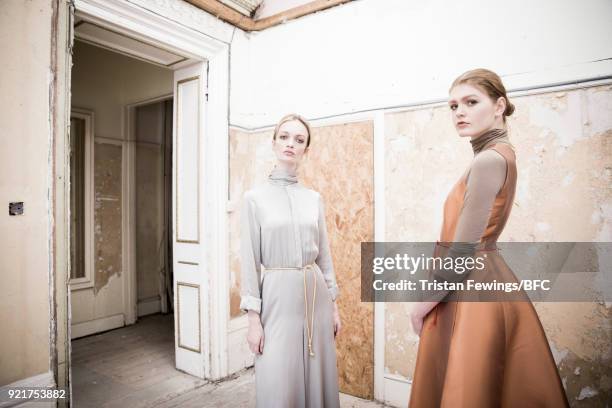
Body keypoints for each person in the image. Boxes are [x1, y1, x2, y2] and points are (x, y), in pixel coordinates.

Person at [408, 69, 569, 407]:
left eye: (470, 102)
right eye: (453, 106)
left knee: (468, 388)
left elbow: (463, 251)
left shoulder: (488, 160)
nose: (459, 113)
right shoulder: (502, 153)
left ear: (499, 106)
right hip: (485, 279)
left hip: (470, 284)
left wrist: (420, 308)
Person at [240, 114, 342, 408]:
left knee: (317, 375)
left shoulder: (313, 198)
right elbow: (249, 260)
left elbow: (324, 255)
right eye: (284, 136)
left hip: (316, 296)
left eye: (299, 140)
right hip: (276, 296)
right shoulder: (254, 198)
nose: (290, 144)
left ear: (306, 150)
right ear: (273, 142)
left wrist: (334, 305)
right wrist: (252, 320)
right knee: (278, 378)